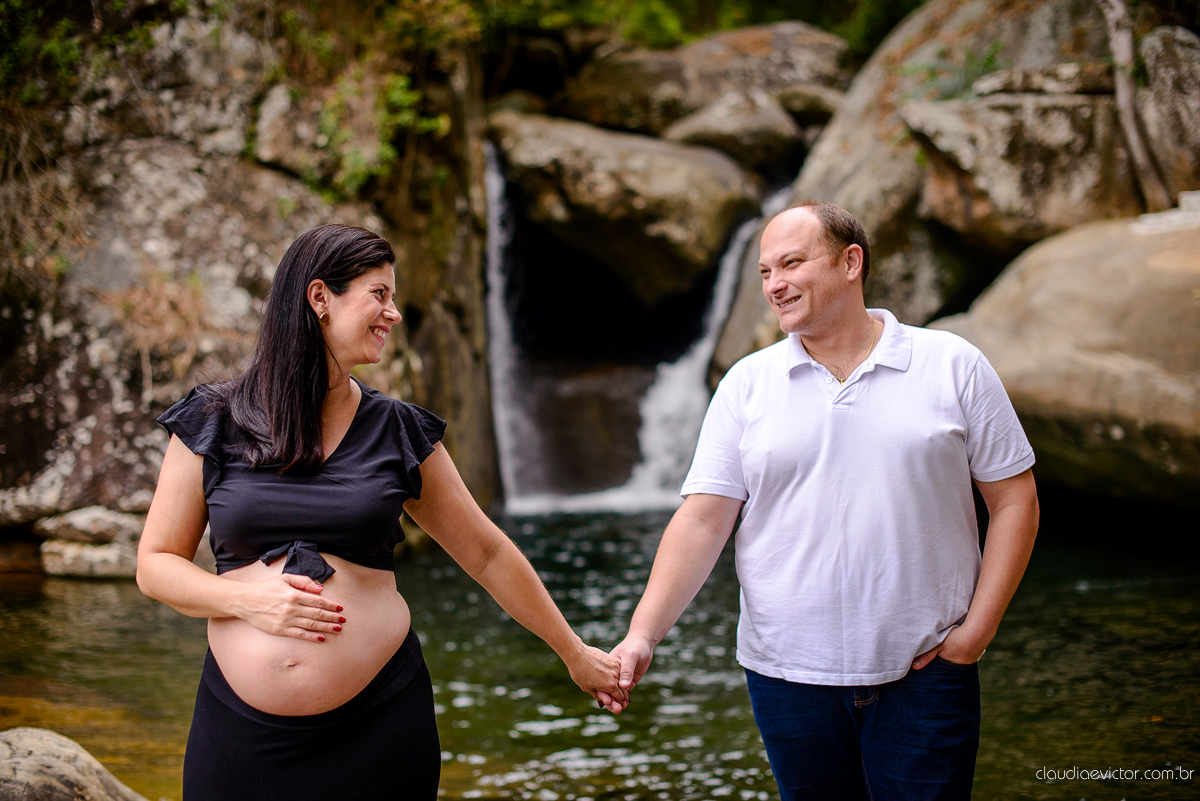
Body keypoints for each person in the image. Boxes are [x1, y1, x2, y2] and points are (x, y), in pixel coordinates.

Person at [137, 224, 624, 801]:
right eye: (379, 294)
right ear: (320, 298)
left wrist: (574, 653)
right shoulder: (212, 421)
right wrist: (249, 601)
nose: (393, 313)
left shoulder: (400, 430)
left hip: (380, 724)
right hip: (242, 732)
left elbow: (488, 553)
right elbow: (156, 564)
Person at [600, 201, 1040, 800]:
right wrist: (642, 635)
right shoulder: (746, 384)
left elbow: (1014, 499)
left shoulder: (952, 364)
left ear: (850, 262)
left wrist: (975, 635)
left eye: (791, 264)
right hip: (786, 678)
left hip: (926, 672)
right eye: (763, 273)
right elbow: (703, 519)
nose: (774, 285)